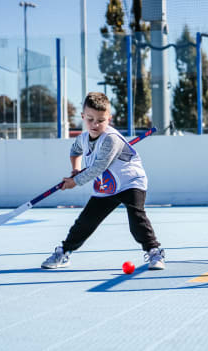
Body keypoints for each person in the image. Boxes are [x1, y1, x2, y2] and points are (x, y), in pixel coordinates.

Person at [41, 92, 165, 270]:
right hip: (107, 186)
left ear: (109, 118)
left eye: (101, 120)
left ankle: (155, 252)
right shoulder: (82, 139)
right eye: (90, 119)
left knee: (136, 219)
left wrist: (74, 182)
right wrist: (75, 169)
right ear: (83, 116)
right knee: (86, 221)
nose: (95, 124)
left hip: (130, 181)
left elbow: (97, 168)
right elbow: (75, 151)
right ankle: (64, 252)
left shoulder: (111, 139)